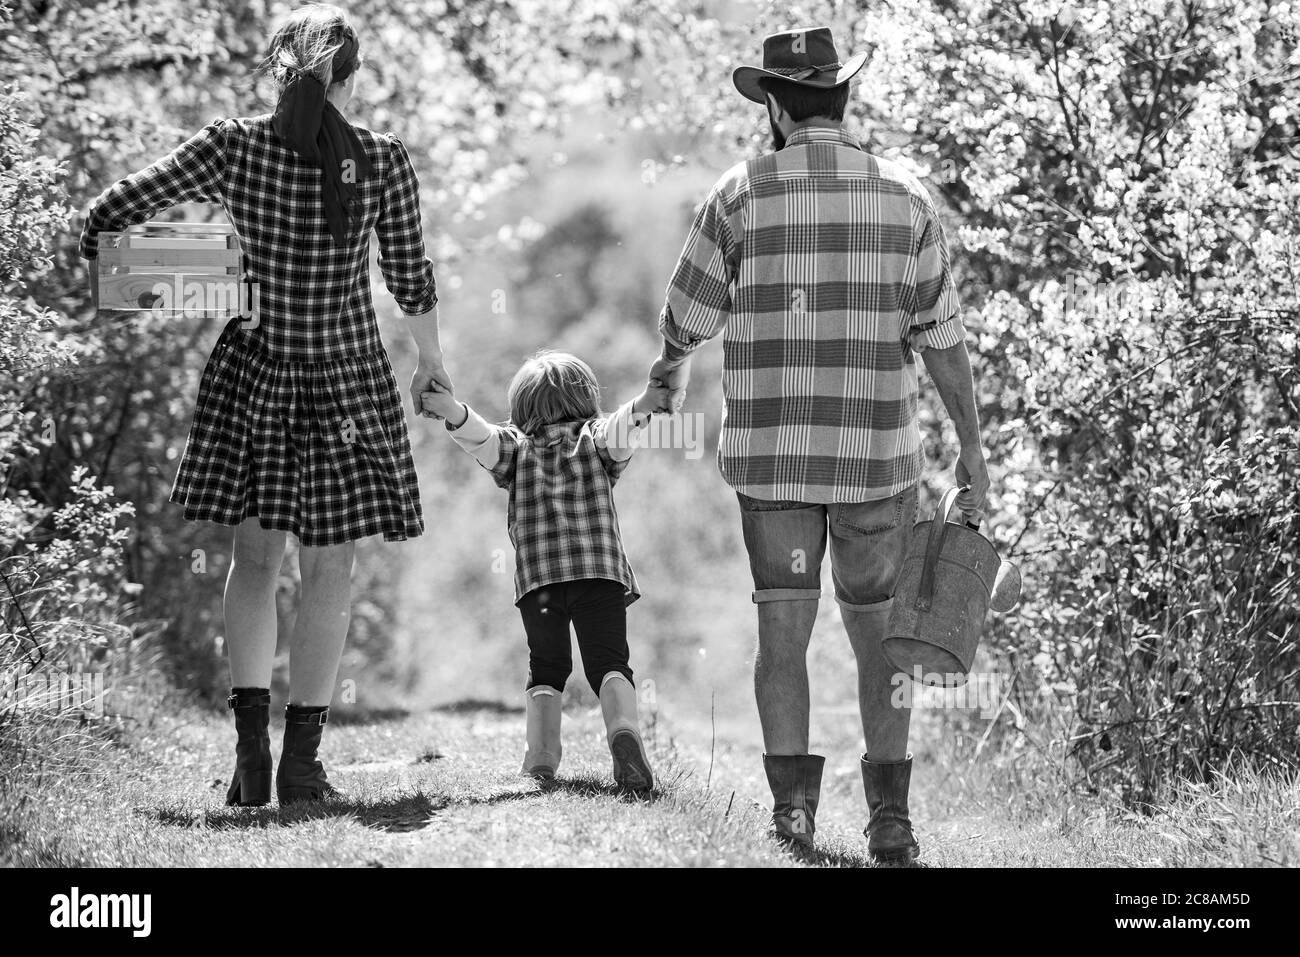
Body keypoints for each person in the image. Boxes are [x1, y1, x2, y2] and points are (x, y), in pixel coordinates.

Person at [78, 3, 450, 806]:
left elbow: (105, 220)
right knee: (331, 566)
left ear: (277, 70)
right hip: (347, 378)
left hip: (257, 373)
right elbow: (412, 284)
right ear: (352, 79)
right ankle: (302, 765)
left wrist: (190, 274)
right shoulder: (383, 161)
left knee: (255, 560)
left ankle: (250, 757)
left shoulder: (233, 145)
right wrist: (432, 368)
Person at [648, 26, 990, 864]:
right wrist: (972, 451)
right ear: (844, 97)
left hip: (775, 463)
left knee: (782, 634)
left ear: (773, 102)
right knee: (883, 637)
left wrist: (670, 371)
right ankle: (890, 820)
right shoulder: (905, 198)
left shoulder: (737, 194)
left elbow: (682, 318)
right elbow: (942, 340)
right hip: (876, 462)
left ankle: (793, 816)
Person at [419, 352, 665, 793]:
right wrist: (645, 402)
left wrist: (451, 411)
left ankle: (542, 757)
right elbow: (622, 429)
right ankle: (623, 732)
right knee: (609, 663)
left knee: (547, 667)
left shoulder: (516, 449)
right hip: (599, 576)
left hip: (540, 585)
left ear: (521, 408)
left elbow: (481, 438)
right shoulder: (594, 440)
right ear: (586, 398)